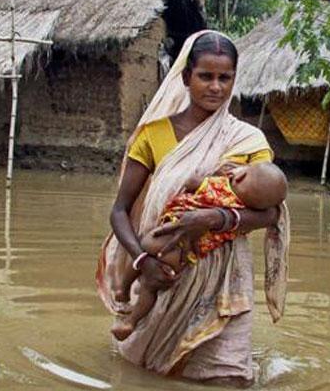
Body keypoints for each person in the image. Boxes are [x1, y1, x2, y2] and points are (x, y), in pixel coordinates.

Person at [95, 30, 290, 387]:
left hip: (225, 279)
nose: (215, 87)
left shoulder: (247, 141)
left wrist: (212, 218)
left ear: (234, 79)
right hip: (162, 266)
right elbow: (119, 211)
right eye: (206, 76)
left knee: (229, 377)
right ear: (186, 77)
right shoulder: (152, 135)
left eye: (224, 78)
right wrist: (143, 262)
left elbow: (271, 213)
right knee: (147, 372)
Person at [110, 162, 288, 341]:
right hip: (181, 257)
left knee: (142, 247)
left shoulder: (217, 185)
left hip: (162, 235)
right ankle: (131, 322)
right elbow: (271, 216)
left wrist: (215, 175)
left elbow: (190, 182)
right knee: (150, 287)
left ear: (240, 176)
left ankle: (122, 288)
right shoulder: (241, 216)